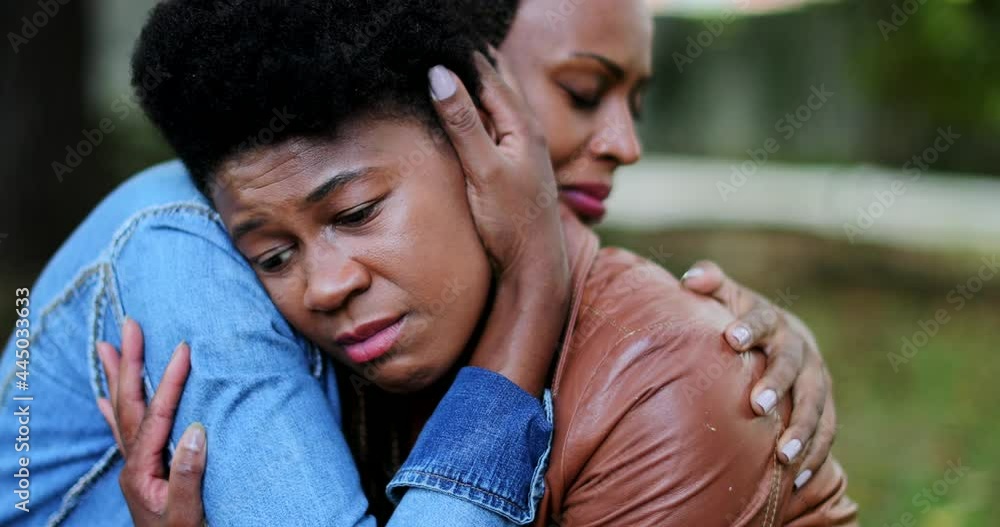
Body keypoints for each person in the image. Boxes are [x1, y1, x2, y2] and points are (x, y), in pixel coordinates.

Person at [0, 1, 838, 526]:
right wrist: (529, 305)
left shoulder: (660, 379)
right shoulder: (192, 254)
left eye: (361, 213)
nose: (325, 286)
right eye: (275, 254)